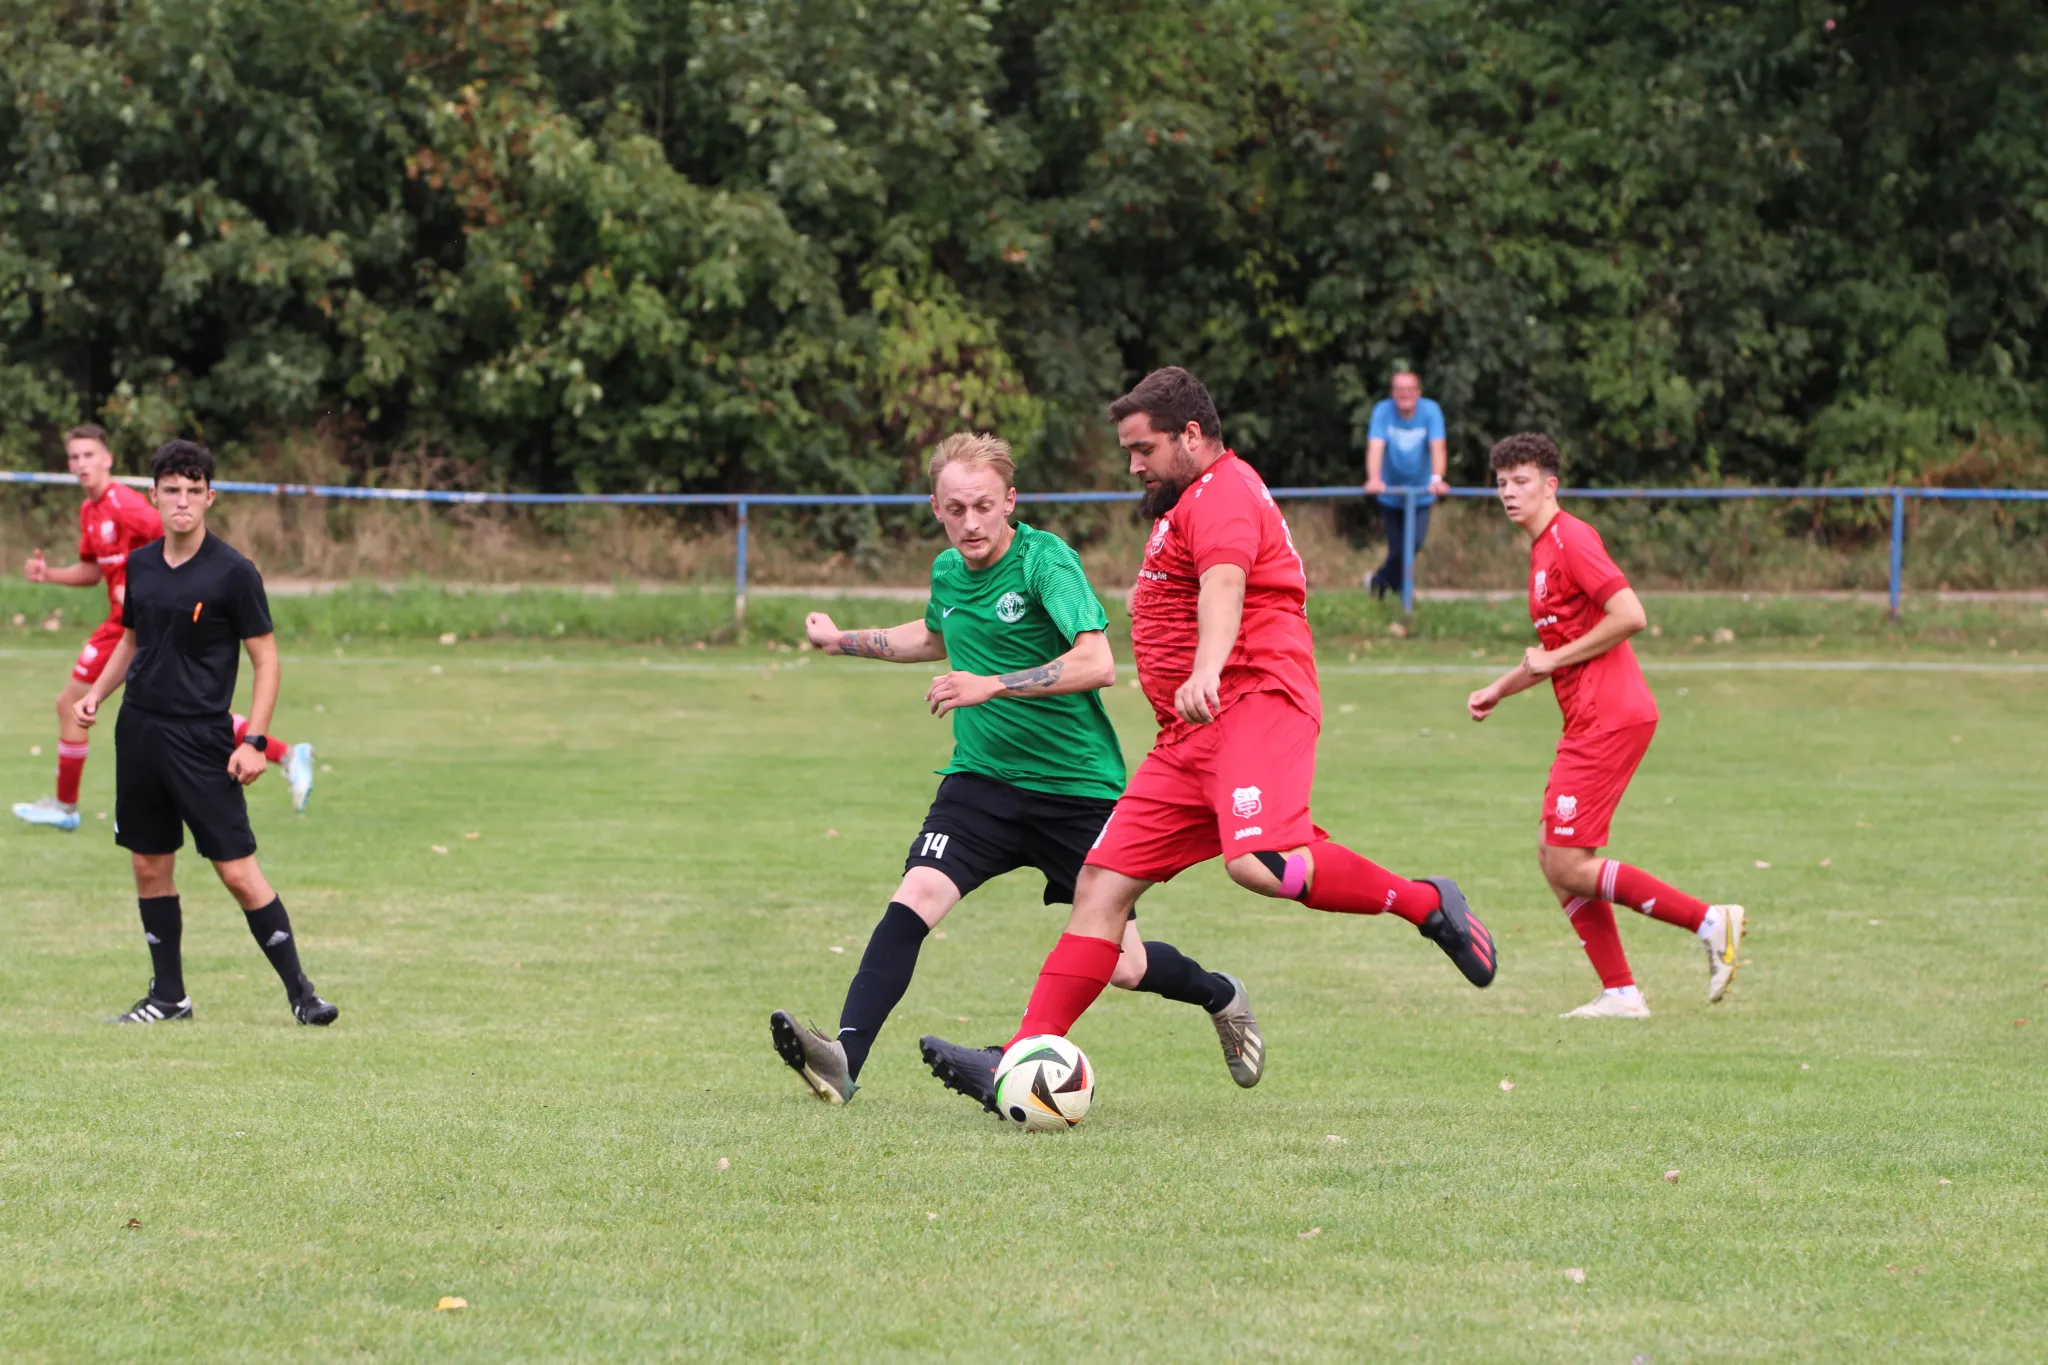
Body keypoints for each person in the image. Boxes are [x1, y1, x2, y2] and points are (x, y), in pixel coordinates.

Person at [920, 369, 1495, 1116]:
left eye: (1143, 449)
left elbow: (1225, 584)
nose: (1134, 465)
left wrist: (1208, 667)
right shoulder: (1186, 499)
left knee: (1258, 861)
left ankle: (1425, 903)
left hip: (1254, 703)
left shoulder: (1223, 491)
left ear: (1191, 435)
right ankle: (1020, 1054)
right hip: (1187, 737)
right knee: (1100, 887)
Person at [769, 432, 1264, 1104]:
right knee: (916, 896)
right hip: (981, 783)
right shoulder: (949, 571)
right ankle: (843, 1059)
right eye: (955, 509)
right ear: (936, 509)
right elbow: (934, 634)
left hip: (1076, 789)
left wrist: (992, 685)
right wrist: (842, 641)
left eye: (983, 506)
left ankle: (1219, 993)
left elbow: (1098, 661)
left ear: (1009, 501)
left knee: (1126, 965)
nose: (970, 523)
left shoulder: (1044, 561)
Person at [1464, 433, 1745, 1018]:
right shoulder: (1542, 551)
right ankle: (1620, 992)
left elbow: (1630, 614)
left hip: (1608, 717)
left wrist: (1553, 661)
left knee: (1567, 861)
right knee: (1554, 856)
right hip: (1591, 717)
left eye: (1521, 481)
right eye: (1502, 483)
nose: (1509, 492)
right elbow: (1555, 649)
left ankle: (1709, 921)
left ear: (1550, 486)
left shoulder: (1571, 539)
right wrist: (1500, 689)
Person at [74, 440, 339, 1026]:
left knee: (237, 871)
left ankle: (303, 994)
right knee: (149, 865)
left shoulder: (234, 572)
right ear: (154, 495)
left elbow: (266, 660)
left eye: (194, 491)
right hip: (139, 733)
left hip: (203, 740)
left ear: (210, 498)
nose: (183, 501)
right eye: (172, 490)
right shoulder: (142, 565)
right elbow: (131, 640)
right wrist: (96, 693)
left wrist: (254, 740)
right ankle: (169, 998)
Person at [13, 424, 316, 830]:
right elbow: (92, 571)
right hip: (126, 622)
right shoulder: (90, 510)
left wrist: (156, 588)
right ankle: (286, 753)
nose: (82, 464)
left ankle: (65, 807)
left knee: (136, 704)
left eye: (89, 455)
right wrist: (49, 574)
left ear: (108, 459)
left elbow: (176, 534)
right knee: (172, 704)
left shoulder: (125, 503)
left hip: (148, 619)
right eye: (74, 457)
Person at [1362, 371, 1450, 600]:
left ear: (1418, 392)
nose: (1405, 394)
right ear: (1393, 393)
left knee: (1414, 544)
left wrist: (1437, 479)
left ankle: (1378, 582)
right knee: (1399, 549)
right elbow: (1375, 446)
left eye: (1410, 389)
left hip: (1421, 494)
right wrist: (1374, 478)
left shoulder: (1430, 411)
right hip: (1391, 494)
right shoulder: (1382, 411)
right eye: (1400, 390)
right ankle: (1401, 596)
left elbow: (1438, 446)